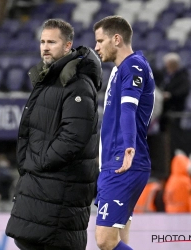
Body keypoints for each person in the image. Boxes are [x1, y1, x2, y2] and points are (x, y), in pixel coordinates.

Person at [5, 18, 102, 250]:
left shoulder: (78, 84)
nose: (45, 47)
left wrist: (40, 162)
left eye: (52, 42)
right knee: (27, 241)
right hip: (42, 191)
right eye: (42, 41)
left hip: (58, 193)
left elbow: (74, 136)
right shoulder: (49, 80)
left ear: (68, 46)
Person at [93, 16, 155, 250]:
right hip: (118, 161)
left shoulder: (132, 65)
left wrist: (128, 147)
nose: (96, 47)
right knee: (120, 240)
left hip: (123, 162)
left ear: (116, 39)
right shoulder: (123, 69)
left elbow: (129, 108)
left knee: (105, 240)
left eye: (100, 40)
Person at [159, 52, 190, 131]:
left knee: (173, 131)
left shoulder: (183, 76)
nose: (166, 66)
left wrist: (170, 95)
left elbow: (183, 91)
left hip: (176, 108)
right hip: (164, 108)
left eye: (168, 63)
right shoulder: (165, 75)